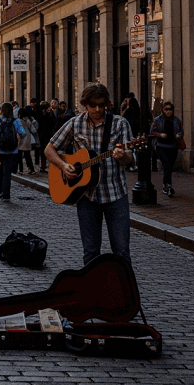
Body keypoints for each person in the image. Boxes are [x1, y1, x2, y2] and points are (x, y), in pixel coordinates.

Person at [45, 83, 134, 265]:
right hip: (86, 198)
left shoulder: (119, 124)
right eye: (93, 105)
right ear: (84, 103)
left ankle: (123, 292)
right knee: (91, 253)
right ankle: (92, 292)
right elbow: (49, 149)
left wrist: (122, 156)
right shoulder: (76, 123)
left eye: (102, 105)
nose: (97, 109)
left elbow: (131, 160)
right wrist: (63, 166)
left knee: (122, 252)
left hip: (115, 196)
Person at [149, 101, 184, 196]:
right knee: (166, 165)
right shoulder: (158, 120)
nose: (168, 111)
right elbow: (152, 132)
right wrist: (160, 134)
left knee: (169, 167)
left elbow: (181, 131)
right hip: (161, 146)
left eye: (170, 109)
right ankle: (168, 185)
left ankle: (166, 185)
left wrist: (178, 135)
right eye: (166, 109)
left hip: (173, 146)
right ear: (163, 110)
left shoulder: (176, 120)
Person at [0, 103, 22, 202]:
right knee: (8, 173)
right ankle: (6, 194)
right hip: (13, 150)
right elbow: (23, 133)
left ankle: (1, 190)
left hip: (0, 150)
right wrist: (17, 138)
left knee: (1, 171)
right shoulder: (16, 121)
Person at [36, 101, 56, 172]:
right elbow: (53, 122)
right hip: (46, 134)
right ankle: (44, 165)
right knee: (46, 151)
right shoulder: (47, 114)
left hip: (44, 134)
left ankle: (43, 165)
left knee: (44, 151)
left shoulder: (41, 114)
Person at [15, 107, 36, 175]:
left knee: (19, 157)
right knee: (28, 156)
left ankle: (21, 170)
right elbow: (33, 130)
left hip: (19, 140)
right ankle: (31, 169)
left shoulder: (17, 121)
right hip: (27, 140)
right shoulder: (28, 121)